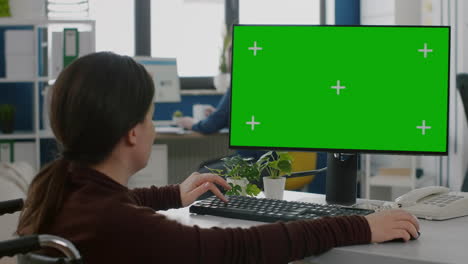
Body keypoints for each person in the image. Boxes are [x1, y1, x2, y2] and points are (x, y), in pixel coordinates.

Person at [17, 52, 420, 264]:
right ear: (132, 131)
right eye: (150, 114)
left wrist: (174, 194)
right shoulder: (119, 223)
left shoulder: (56, 186)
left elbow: (113, 210)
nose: (153, 125)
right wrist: (360, 227)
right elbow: (238, 249)